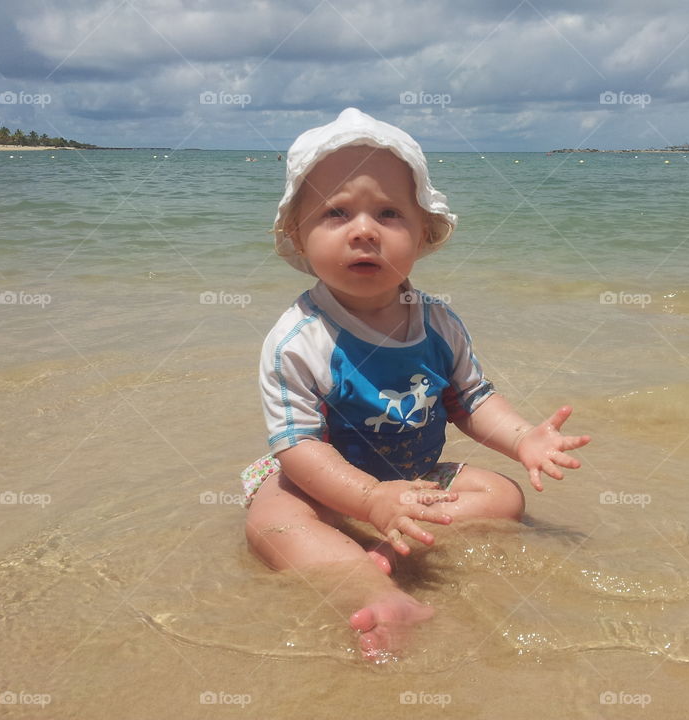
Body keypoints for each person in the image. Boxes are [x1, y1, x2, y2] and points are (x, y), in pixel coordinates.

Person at [242, 107, 590, 660]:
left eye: (388, 213)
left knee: (504, 495)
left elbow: (469, 400)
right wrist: (367, 497)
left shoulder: (437, 323)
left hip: (414, 476)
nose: (364, 230)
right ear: (297, 235)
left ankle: (388, 543)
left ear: (424, 231)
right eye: (336, 213)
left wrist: (523, 438)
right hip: (322, 486)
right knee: (273, 522)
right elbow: (297, 444)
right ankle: (374, 589)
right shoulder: (299, 340)